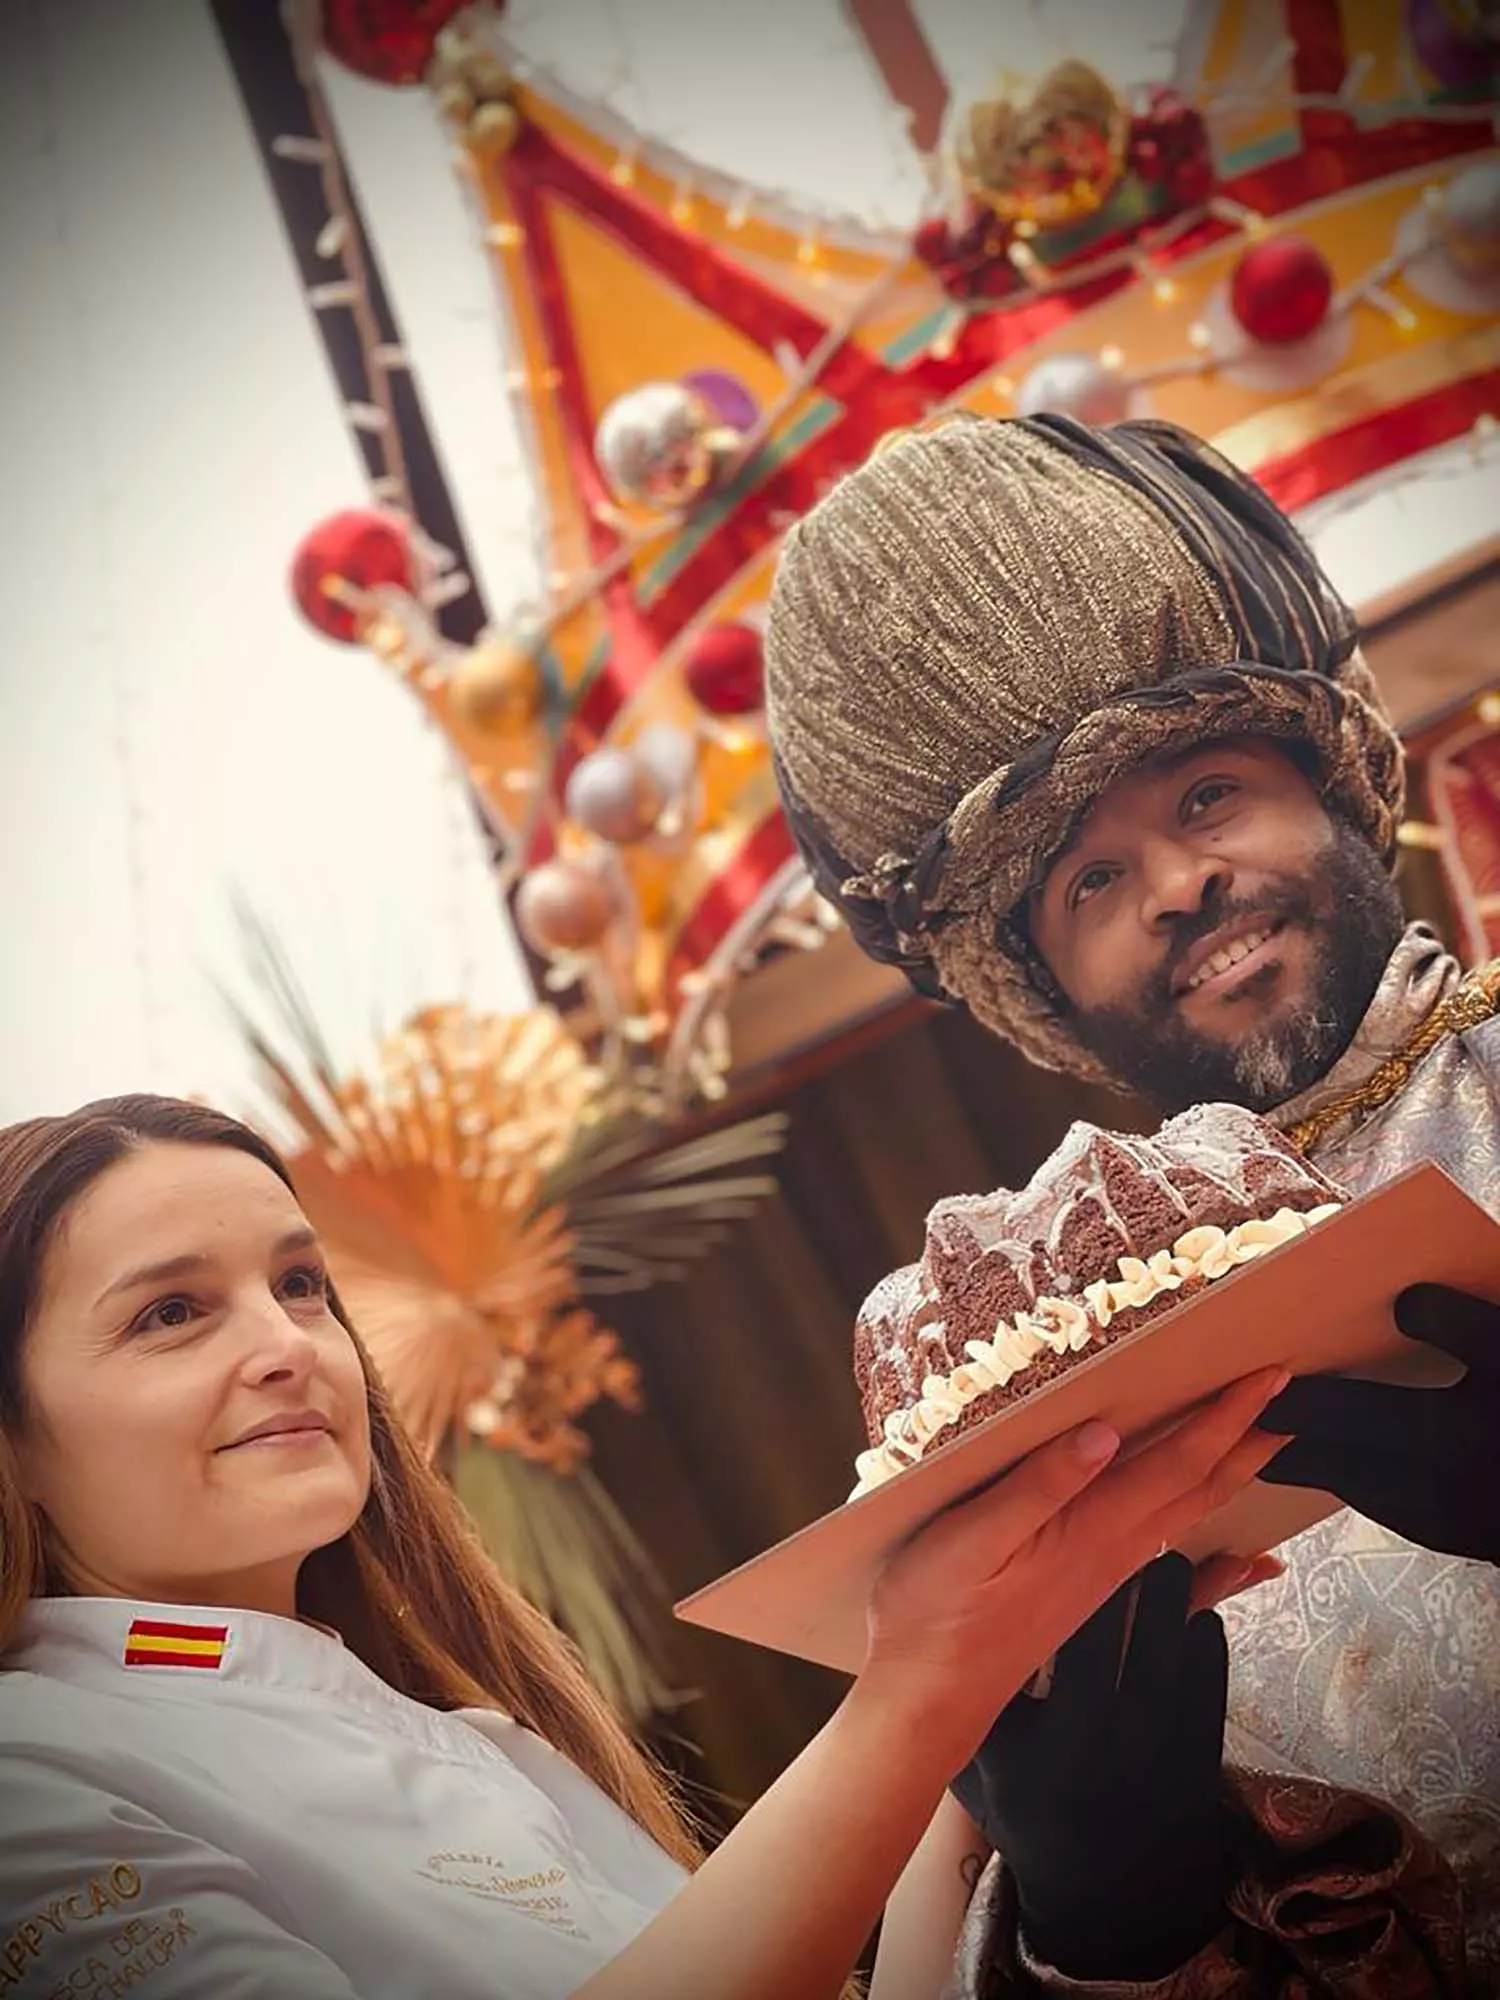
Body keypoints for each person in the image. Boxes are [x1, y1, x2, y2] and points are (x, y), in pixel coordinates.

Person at [0, 1092, 1293, 2000]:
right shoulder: (32, 1779)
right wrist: (916, 1694)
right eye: (172, 1312)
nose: (286, 1344)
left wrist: (984, 1729)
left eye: (298, 1285)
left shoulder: (479, 1741)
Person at [764, 411, 1500, 1994]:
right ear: (1039, 990)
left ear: (1334, 786)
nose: (1175, 884)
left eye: (1211, 797)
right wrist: (1106, 1924)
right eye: (1090, 880)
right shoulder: (1016, 1370)